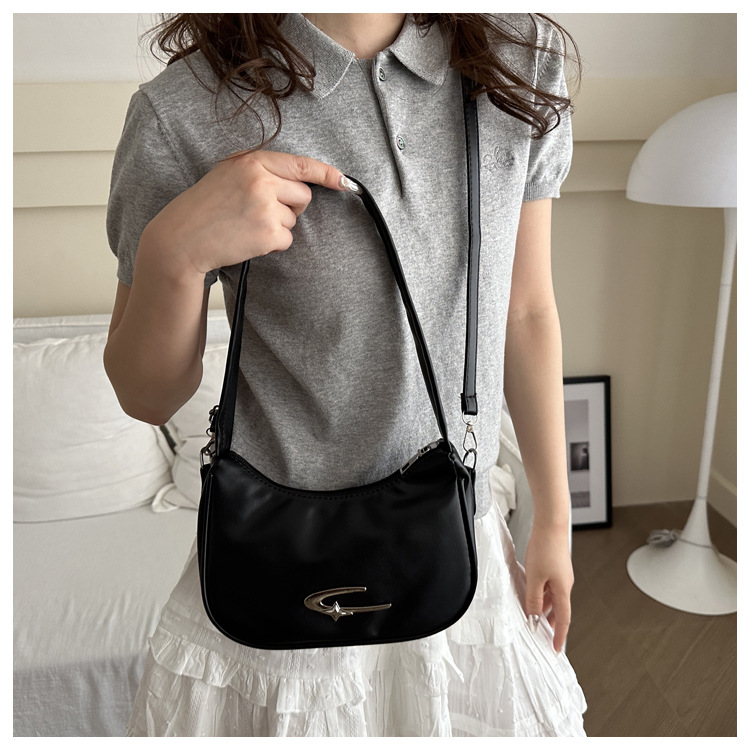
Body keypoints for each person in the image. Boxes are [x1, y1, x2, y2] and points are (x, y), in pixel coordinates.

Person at [104, 12, 588, 737]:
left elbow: (525, 310)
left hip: (459, 545)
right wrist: (174, 254)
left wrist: (552, 516)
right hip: (278, 562)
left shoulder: (516, 58)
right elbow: (145, 395)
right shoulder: (182, 111)